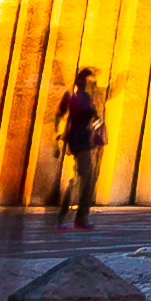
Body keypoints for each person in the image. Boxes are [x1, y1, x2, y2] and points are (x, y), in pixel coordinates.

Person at [53, 67, 107, 229]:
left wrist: (98, 132)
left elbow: (95, 118)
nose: (94, 84)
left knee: (87, 181)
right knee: (79, 181)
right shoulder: (76, 97)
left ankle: (78, 218)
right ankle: (65, 217)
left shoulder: (86, 98)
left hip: (84, 142)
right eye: (92, 81)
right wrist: (58, 137)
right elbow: (61, 116)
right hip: (78, 142)